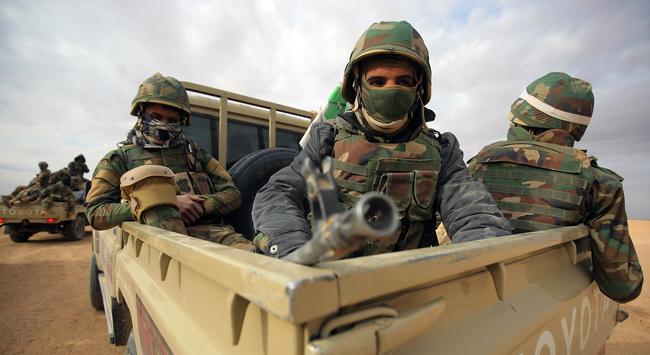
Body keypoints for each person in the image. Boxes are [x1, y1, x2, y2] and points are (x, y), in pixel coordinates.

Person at [252, 21, 512, 258]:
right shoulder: (327, 139)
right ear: (358, 86)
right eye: (377, 81)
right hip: (332, 283)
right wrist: (292, 248)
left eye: (403, 81)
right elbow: (278, 194)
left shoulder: (442, 150)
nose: (391, 89)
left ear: (419, 86)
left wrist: (488, 254)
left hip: (405, 284)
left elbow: (473, 210)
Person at [468, 72, 643, 302]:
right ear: (577, 127)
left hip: (473, 297)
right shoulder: (600, 184)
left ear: (517, 113)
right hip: (547, 301)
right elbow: (622, 286)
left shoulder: (475, 164)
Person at [85, 72, 252, 249]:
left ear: (182, 121)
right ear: (141, 115)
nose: (164, 124)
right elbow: (96, 213)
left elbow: (232, 194)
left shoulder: (195, 154)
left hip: (211, 238)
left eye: (172, 119)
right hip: (152, 247)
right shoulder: (119, 159)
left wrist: (201, 205)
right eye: (156, 116)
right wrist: (162, 204)